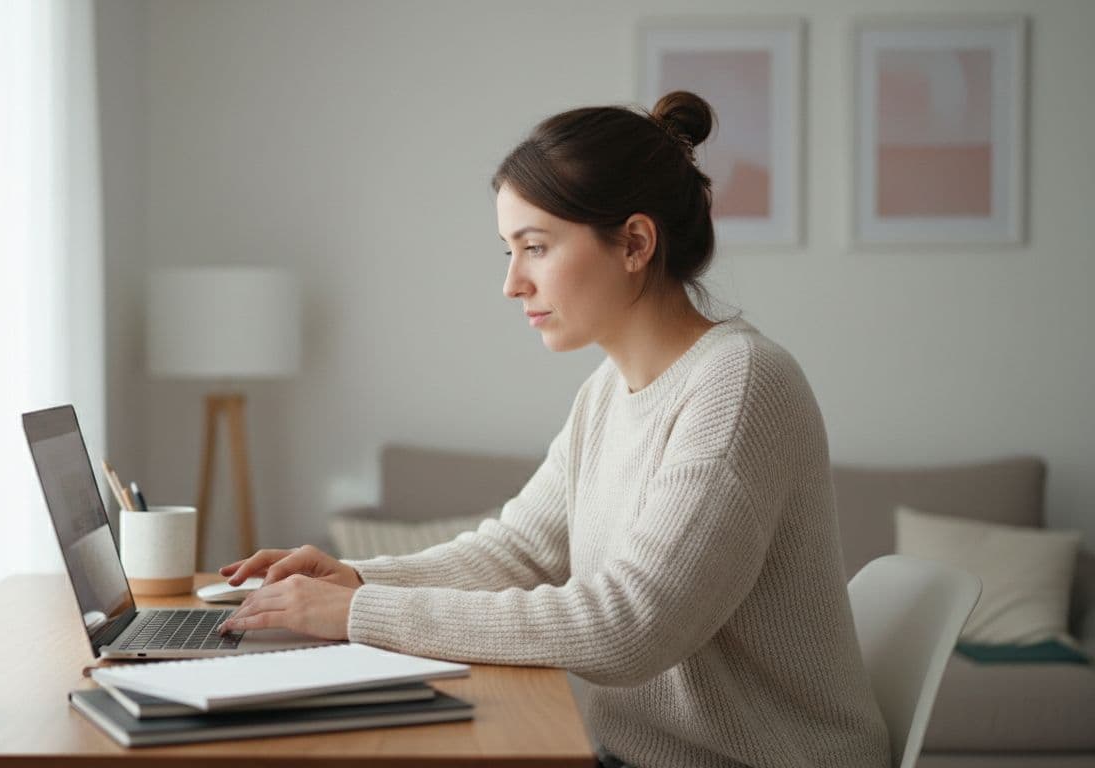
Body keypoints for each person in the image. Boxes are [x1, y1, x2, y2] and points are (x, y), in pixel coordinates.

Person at [216, 92, 892, 768]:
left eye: (535, 247)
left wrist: (358, 616)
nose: (513, 283)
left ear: (634, 243)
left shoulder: (740, 385)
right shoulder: (606, 393)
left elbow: (627, 628)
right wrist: (358, 581)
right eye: (510, 251)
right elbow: (518, 552)